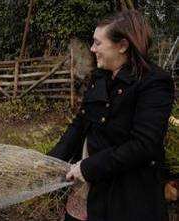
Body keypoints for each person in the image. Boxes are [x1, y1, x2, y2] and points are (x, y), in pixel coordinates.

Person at [48, 10, 175, 221]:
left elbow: (144, 144)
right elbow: (80, 124)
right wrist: (51, 161)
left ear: (123, 46)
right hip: (87, 186)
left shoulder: (154, 82)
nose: (92, 49)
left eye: (98, 43)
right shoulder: (100, 77)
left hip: (126, 195)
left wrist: (89, 168)